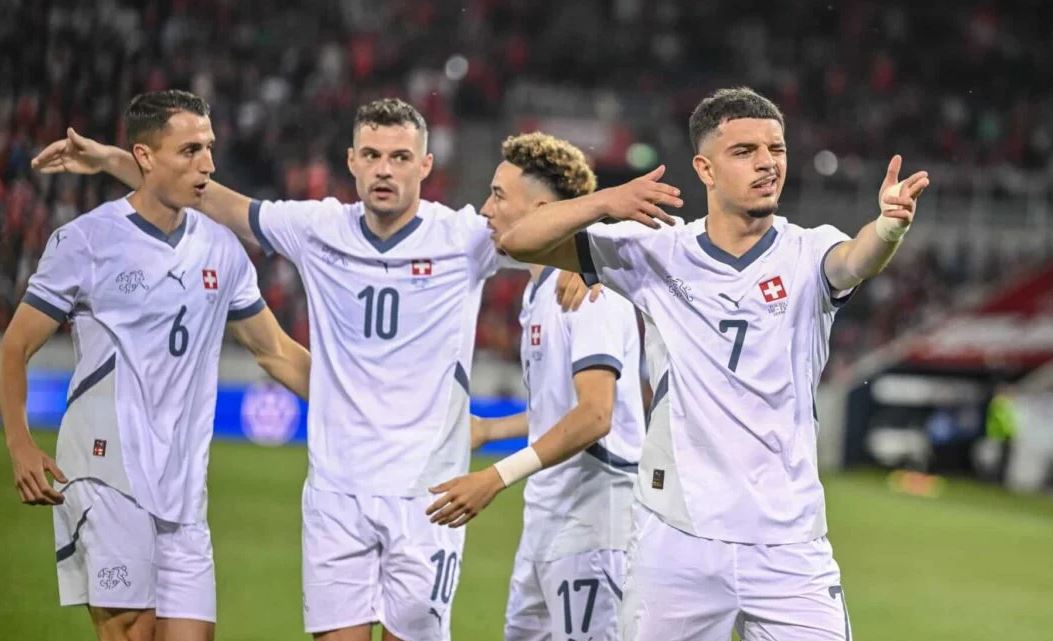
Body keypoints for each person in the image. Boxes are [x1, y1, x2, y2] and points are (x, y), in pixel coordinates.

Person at [33, 98, 591, 641]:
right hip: (335, 494)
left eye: (400, 157)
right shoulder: (316, 227)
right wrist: (113, 160)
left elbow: (541, 227)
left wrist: (579, 255)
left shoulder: (464, 238)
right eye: (371, 155)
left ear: (425, 165)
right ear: (351, 161)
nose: (384, 169)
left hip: (427, 495)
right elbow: (210, 197)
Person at [500, 87, 929, 640]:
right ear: (705, 168)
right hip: (677, 538)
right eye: (744, 151)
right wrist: (605, 202)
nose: (767, 163)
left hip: (789, 544)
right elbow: (519, 242)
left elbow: (856, 258)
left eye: (776, 149)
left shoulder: (808, 251)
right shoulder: (656, 250)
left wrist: (889, 227)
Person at [4, 89, 310, 641]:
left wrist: (367, 409)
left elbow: (277, 352)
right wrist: (21, 444)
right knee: (131, 631)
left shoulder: (221, 249)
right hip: (106, 471)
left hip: (185, 488)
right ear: (144, 156)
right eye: (190, 150)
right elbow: (14, 346)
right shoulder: (87, 240)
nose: (208, 164)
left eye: (209, 147)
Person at [425, 133, 645, 641]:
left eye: (498, 196)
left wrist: (495, 477)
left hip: (595, 523)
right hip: (548, 517)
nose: (485, 210)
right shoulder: (542, 291)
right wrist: (491, 430)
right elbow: (557, 408)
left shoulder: (590, 293)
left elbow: (595, 415)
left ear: (542, 211)